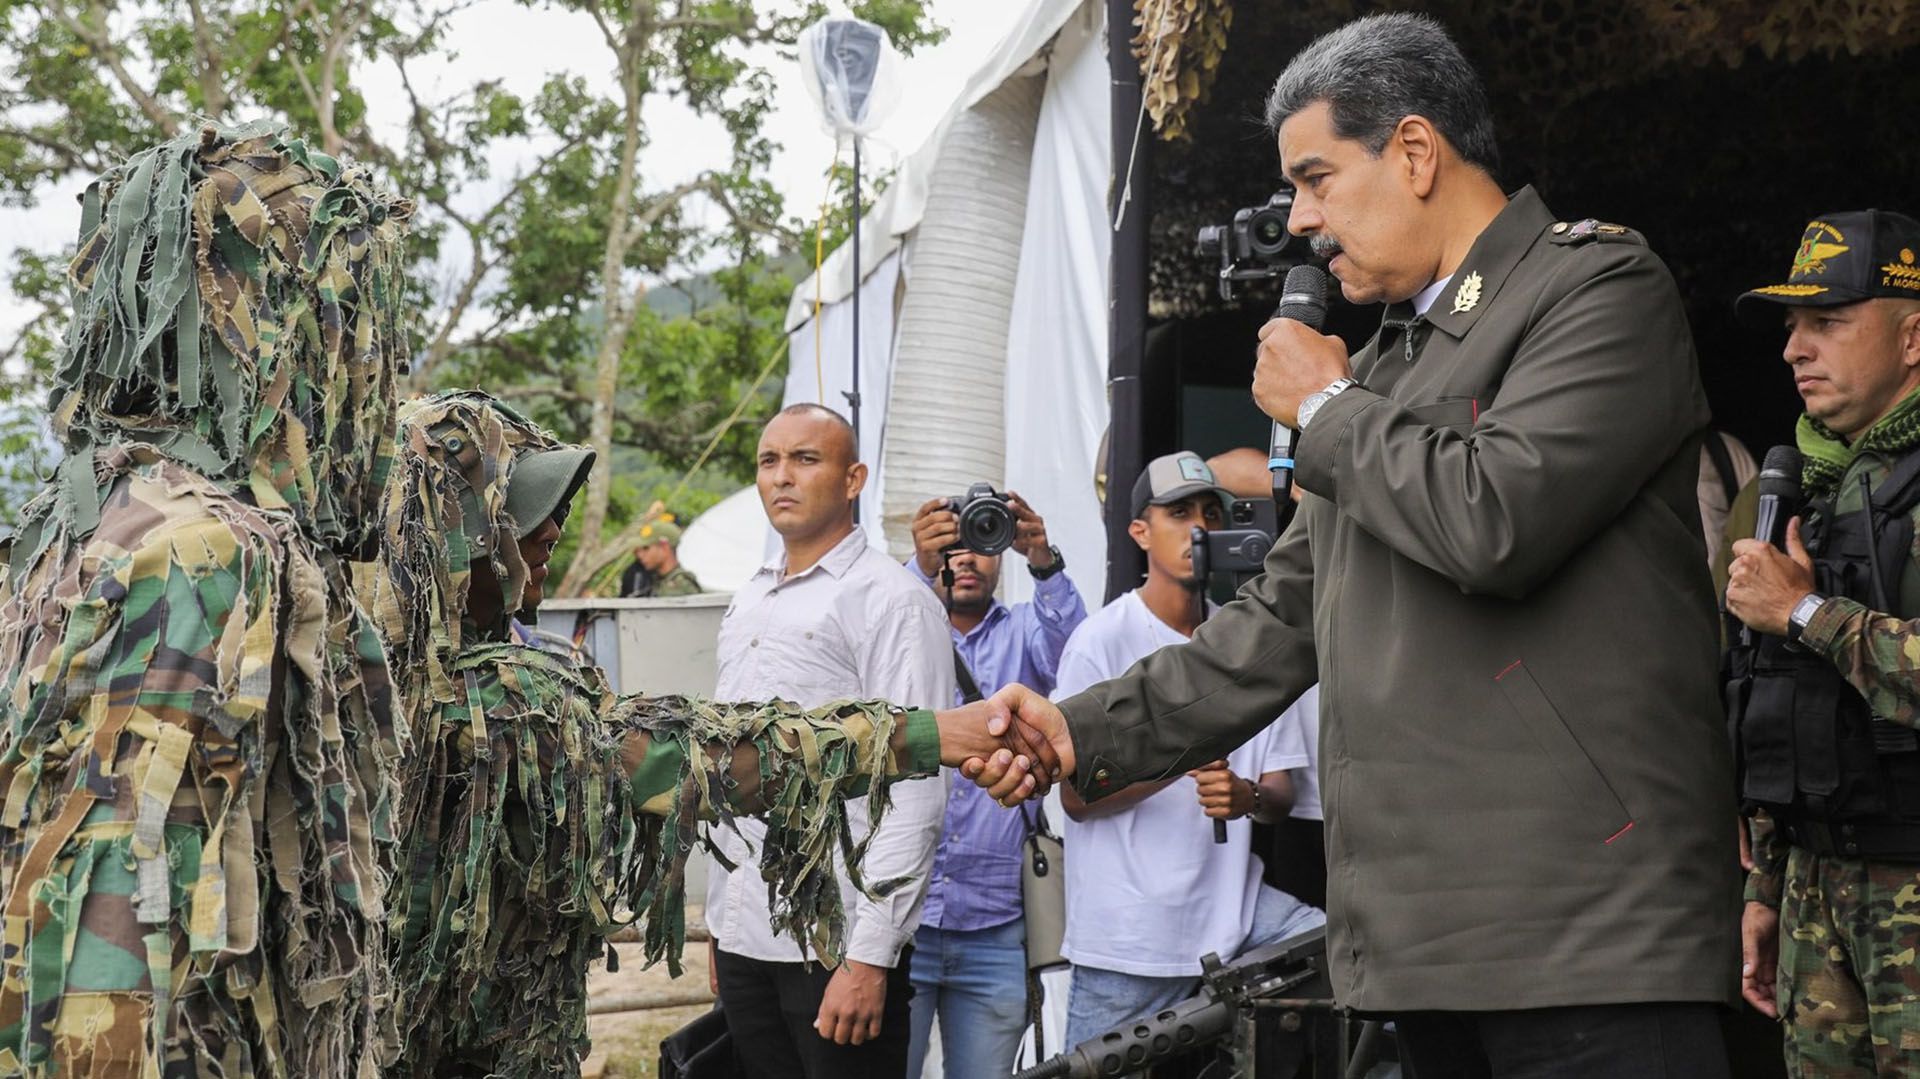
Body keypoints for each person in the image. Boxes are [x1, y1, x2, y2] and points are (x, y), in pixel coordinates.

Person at [965, 14, 1740, 1078]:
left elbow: (1495, 516)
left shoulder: (1597, 293)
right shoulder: (1383, 369)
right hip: (1422, 947)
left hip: (1586, 942)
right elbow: (1276, 623)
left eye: (1319, 179)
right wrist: (1072, 727)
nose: (1304, 221)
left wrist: (1324, 407)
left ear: (1416, 152)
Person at [1724, 210, 1920, 1078]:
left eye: (1828, 322)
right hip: (1817, 887)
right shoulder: (1810, 484)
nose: (1794, 349)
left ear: (1913, 337)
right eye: (1793, 327)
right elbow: (1774, 695)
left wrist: (1806, 613)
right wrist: (1768, 886)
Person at [706, 403, 954, 1079]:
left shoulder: (891, 600)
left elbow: (919, 790)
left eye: (805, 459)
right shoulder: (750, 599)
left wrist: (872, 954)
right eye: (768, 460)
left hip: (836, 942)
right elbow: (730, 771)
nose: (782, 476)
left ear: (853, 480)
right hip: (747, 936)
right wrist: (721, 921)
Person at [1052, 452, 1324, 1047]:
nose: (1199, 526)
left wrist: (1245, 794)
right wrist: (1179, 755)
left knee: (1348, 962)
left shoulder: (1249, 638)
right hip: (1129, 945)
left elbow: (1280, 794)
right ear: (1140, 532)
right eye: (1178, 512)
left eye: (1210, 511)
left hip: (1237, 924)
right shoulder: (1100, 640)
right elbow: (1075, 799)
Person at [902, 489, 1087, 1079]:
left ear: (999, 548)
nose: (966, 559)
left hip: (998, 926)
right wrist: (915, 569)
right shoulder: (902, 620)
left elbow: (1075, 660)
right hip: (904, 919)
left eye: (979, 543)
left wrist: (1044, 561)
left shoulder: (1028, 629)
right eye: (950, 547)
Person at [622, 514, 703, 597]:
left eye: (646, 548)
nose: (640, 555)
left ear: (664, 547)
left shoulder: (679, 585)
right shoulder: (657, 581)